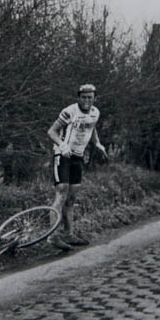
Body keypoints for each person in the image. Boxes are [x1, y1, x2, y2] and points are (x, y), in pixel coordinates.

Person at [46, 83, 108, 251]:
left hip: (78, 156)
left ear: (95, 98)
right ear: (78, 98)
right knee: (61, 191)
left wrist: (98, 144)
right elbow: (51, 131)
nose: (87, 101)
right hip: (63, 154)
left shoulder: (95, 112)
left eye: (90, 97)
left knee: (72, 197)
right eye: (83, 97)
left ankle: (69, 234)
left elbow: (92, 127)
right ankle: (52, 236)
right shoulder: (69, 111)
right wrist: (62, 145)